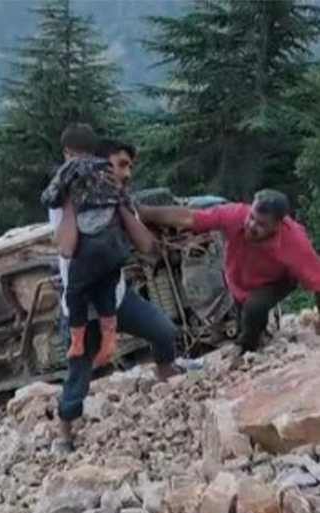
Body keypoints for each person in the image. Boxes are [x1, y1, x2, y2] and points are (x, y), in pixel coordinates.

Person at [52, 138, 181, 454]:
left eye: (129, 167)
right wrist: (71, 203)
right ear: (101, 165)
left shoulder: (119, 199)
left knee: (164, 332)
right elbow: (67, 247)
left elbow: (147, 245)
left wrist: (121, 204)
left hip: (117, 297)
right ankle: (64, 436)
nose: (127, 173)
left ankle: (169, 382)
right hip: (84, 310)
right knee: (78, 378)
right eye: (121, 165)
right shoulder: (69, 199)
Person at [138, 189, 320, 357]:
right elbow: (190, 218)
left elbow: (317, 281)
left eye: (261, 224)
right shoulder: (236, 214)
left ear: (278, 225)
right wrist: (145, 213)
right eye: (252, 217)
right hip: (238, 279)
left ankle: (245, 348)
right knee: (248, 320)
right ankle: (257, 337)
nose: (251, 225)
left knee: (254, 308)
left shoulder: (295, 242)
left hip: (278, 280)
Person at [42, 124, 130, 367]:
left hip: (90, 245)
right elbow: (123, 199)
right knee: (105, 290)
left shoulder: (71, 169)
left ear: (68, 151)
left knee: (74, 292)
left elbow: (49, 198)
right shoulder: (107, 169)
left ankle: (77, 341)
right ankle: (110, 339)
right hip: (115, 244)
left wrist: (64, 189)